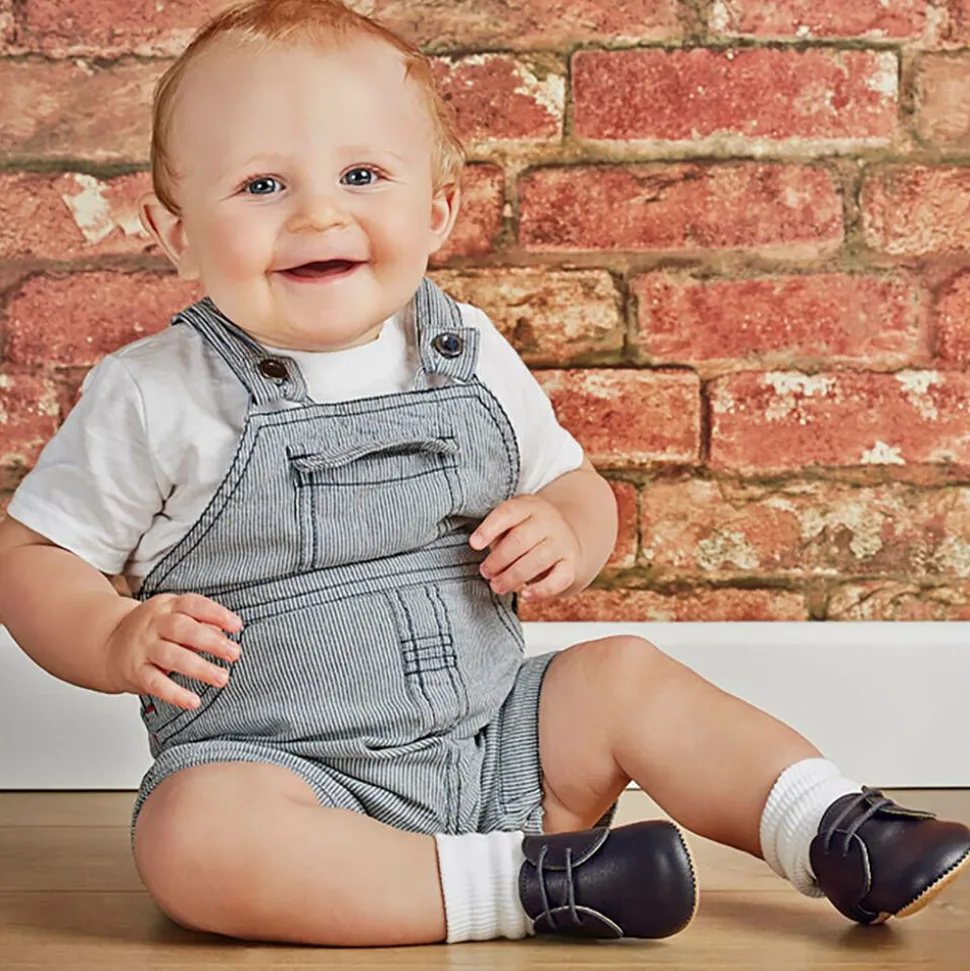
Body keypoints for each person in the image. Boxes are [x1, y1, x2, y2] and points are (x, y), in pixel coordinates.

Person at [0, 0, 967, 948]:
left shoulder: (469, 352)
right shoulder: (155, 393)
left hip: (496, 745)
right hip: (282, 777)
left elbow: (578, 490)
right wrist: (113, 632)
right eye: (261, 186)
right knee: (190, 834)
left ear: (437, 211)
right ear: (174, 234)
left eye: (362, 173)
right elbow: (32, 555)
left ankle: (834, 827)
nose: (317, 211)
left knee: (619, 674)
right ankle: (526, 887)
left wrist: (566, 531)